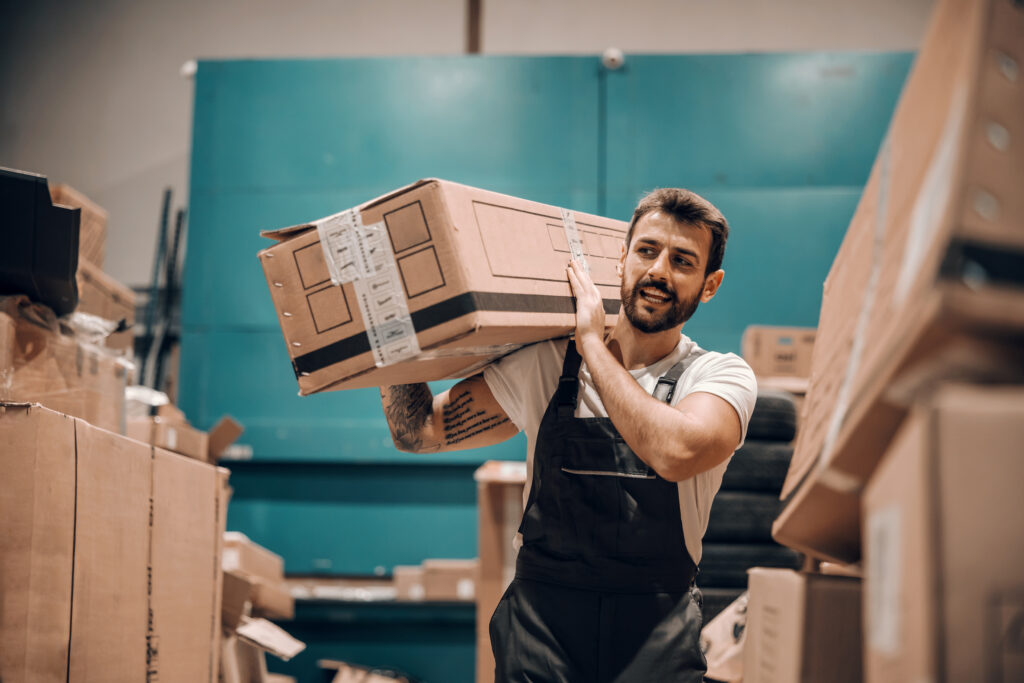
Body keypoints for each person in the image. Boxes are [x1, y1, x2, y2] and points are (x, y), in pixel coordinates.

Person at [380, 188, 757, 683]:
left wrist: (592, 347)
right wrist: (387, 326)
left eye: (683, 260)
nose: (659, 271)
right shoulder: (547, 364)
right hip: (541, 632)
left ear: (710, 285)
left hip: (654, 635)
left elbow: (675, 451)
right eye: (647, 250)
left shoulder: (718, 377)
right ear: (622, 258)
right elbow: (419, 432)